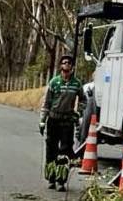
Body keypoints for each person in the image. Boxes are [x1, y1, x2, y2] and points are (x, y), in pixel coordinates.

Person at [39, 53, 85, 191]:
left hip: (67, 121)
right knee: (51, 150)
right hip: (53, 119)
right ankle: (51, 178)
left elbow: (83, 100)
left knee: (64, 151)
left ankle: (61, 180)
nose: (67, 65)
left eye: (69, 63)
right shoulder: (54, 82)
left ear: (72, 67)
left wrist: (78, 115)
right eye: (64, 62)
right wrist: (42, 120)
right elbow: (47, 102)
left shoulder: (76, 84)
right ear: (60, 66)